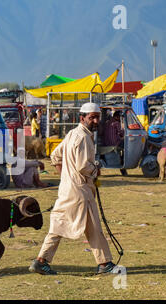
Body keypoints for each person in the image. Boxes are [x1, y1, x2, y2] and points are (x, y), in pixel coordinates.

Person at [29, 102, 116, 275]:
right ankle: (104, 263)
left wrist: (65, 177)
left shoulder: (72, 134)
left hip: (68, 189)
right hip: (80, 191)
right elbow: (83, 166)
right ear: (82, 118)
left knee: (62, 225)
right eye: (92, 117)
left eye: (97, 117)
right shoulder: (83, 137)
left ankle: (41, 261)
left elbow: (55, 155)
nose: (95, 120)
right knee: (91, 227)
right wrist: (96, 170)